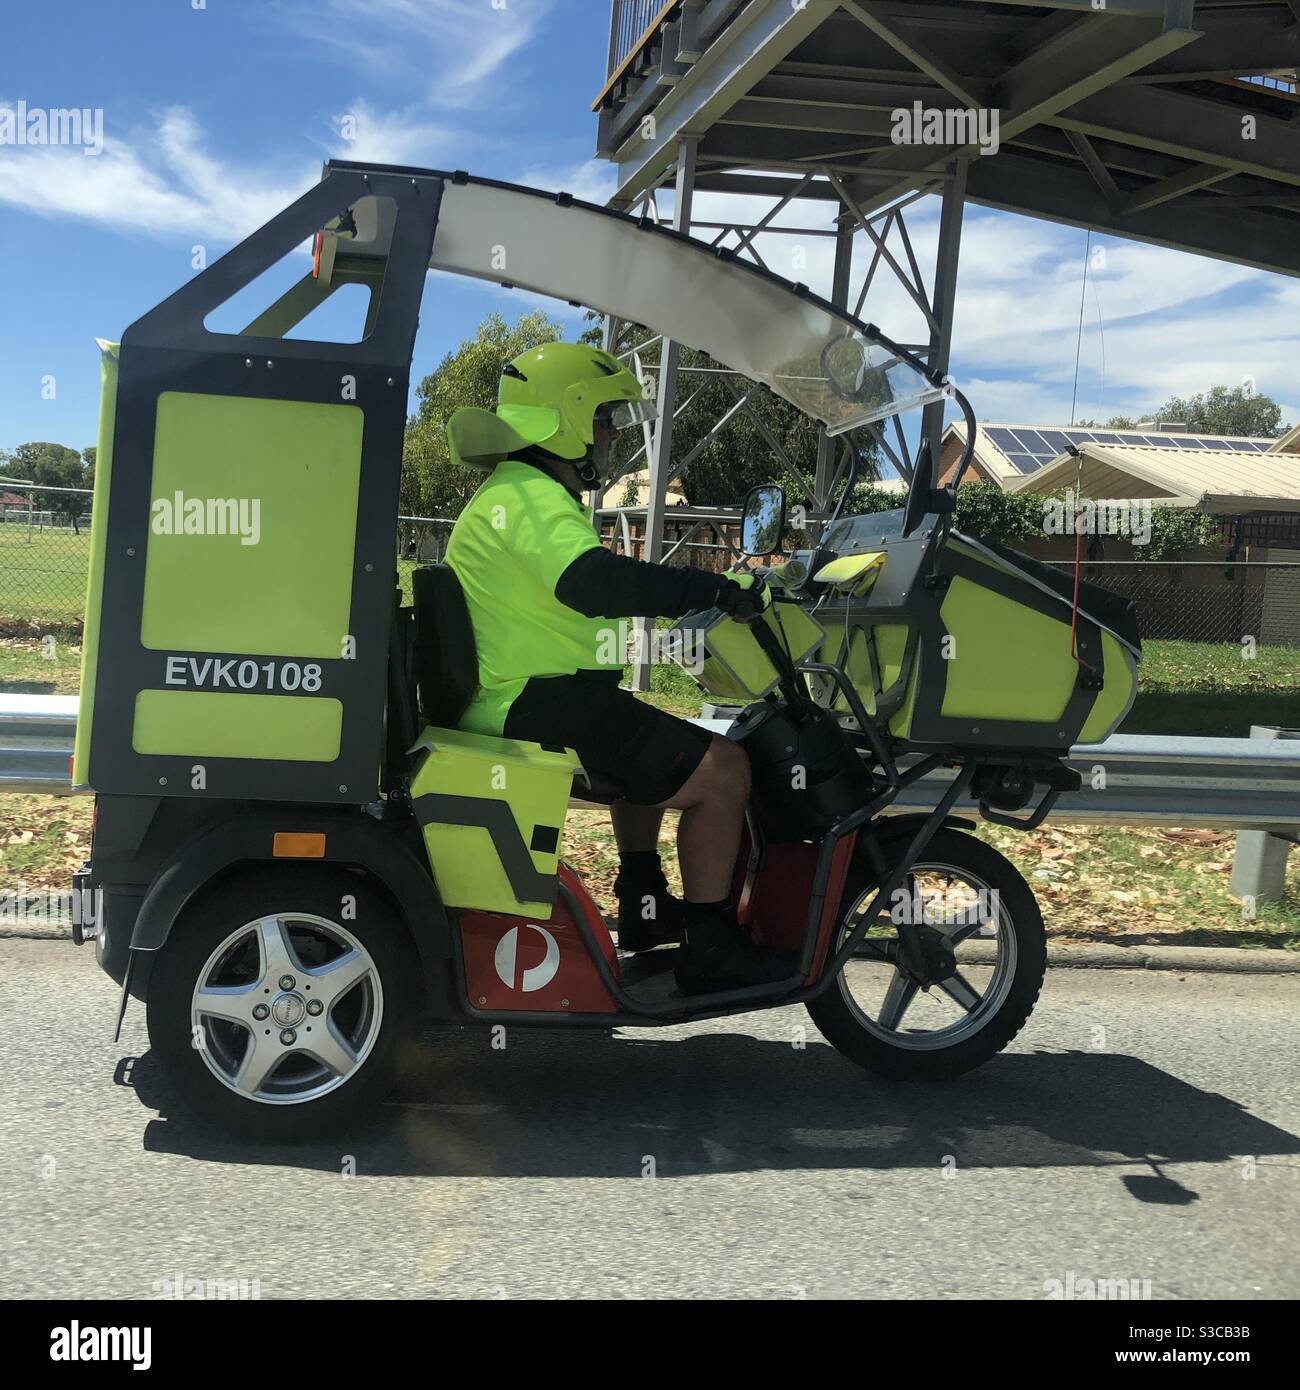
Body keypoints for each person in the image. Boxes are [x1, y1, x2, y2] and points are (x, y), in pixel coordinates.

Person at [443, 342, 794, 994]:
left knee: (649, 754)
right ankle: (711, 949)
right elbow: (593, 583)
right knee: (724, 772)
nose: (611, 435)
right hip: (533, 704)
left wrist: (686, 601)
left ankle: (643, 906)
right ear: (568, 417)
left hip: (529, 697)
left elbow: (587, 590)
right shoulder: (529, 495)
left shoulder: (516, 492)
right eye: (605, 418)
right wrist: (711, 589)